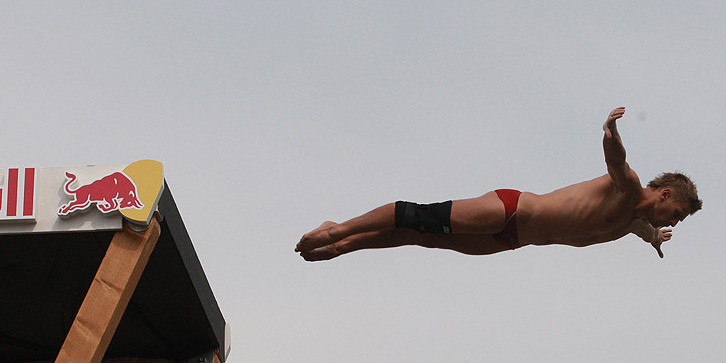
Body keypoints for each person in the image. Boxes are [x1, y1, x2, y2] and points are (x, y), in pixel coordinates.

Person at [295, 107, 701, 261]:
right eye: (678, 213)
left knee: (425, 238)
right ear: (664, 194)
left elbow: (639, 227)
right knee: (423, 217)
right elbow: (617, 160)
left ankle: (345, 246)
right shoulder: (628, 189)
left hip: (514, 239)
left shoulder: (633, 221)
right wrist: (610, 129)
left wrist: (653, 239)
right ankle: (340, 227)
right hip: (512, 209)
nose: (677, 220)